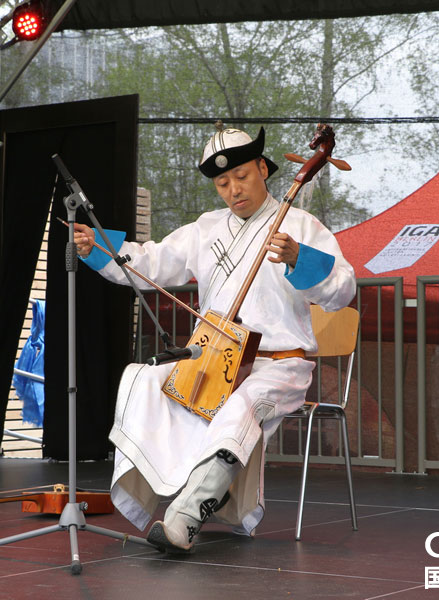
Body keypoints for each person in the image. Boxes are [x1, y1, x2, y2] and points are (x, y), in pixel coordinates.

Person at [73, 125, 356, 553]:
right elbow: (152, 261)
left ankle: (185, 517)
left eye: (241, 176)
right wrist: (99, 247)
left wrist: (299, 257)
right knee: (143, 379)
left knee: (241, 405)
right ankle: (151, 494)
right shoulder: (204, 229)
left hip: (279, 365)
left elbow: (343, 290)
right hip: (216, 360)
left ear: (263, 168)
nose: (233, 189)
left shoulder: (300, 224)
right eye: (222, 183)